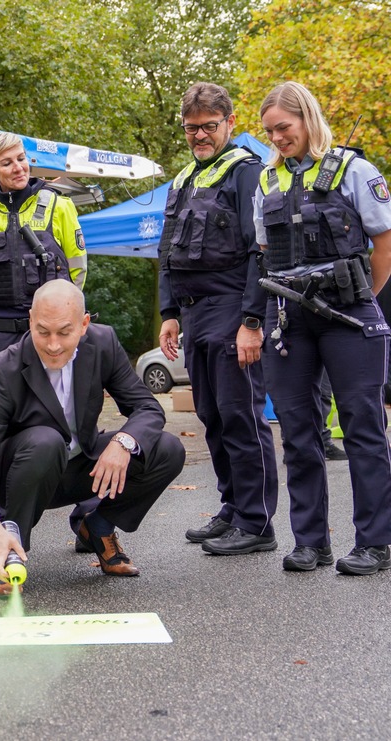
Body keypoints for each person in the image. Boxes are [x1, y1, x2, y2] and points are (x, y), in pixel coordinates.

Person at [0, 280, 186, 594]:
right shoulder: (3, 370)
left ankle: (98, 526)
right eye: (43, 332)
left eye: (64, 332)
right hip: (23, 475)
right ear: (30, 322)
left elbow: (146, 407)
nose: (53, 345)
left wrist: (123, 442)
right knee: (45, 441)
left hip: (83, 468)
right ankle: (11, 550)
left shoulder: (103, 343)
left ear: (84, 324)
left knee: (167, 449)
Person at [255, 81, 391, 575]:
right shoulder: (267, 182)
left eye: (284, 128)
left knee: (362, 428)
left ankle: (375, 542)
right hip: (288, 316)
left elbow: (384, 246)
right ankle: (311, 542)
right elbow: (264, 255)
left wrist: (360, 300)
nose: (277, 138)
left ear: (307, 118)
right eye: (270, 132)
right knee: (297, 432)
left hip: (348, 312)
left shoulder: (356, 171)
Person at [157, 82, 280, 557]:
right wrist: (169, 313)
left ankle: (257, 522)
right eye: (192, 128)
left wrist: (252, 320)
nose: (200, 135)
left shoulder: (246, 172)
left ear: (230, 122)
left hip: (232, 306)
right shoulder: (184, 177)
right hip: (193, 311)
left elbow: (260, 251)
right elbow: (167, 252)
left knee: (240, 416)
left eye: (210, 126)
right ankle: (231, 509)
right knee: (210, 415)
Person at [0, 132, 88, 359]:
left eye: (21, 158)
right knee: (4, 393)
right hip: (3, 329)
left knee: (56, 393)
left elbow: (77, 266)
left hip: (54, 327)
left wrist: (66, 311)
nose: (18, 167)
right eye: (7, 163)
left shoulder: (59, 205)